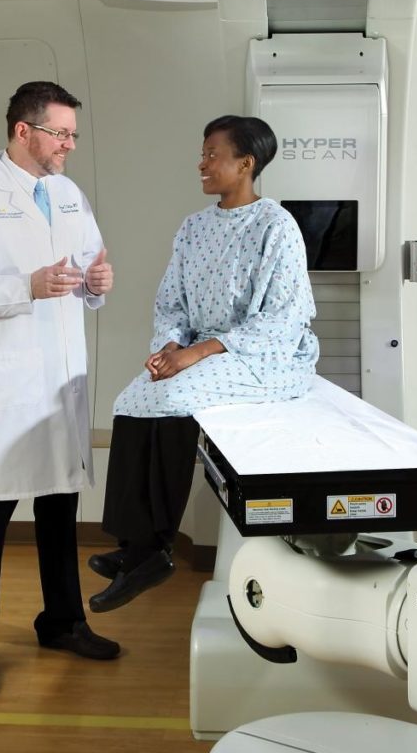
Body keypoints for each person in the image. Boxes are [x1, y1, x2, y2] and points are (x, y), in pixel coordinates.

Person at [0, 81, 120, 701]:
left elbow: (84, 276)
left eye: (72, 134)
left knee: (60, 511)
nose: (68, 145)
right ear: (22, 131)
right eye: (60, 133)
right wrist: (25, 286)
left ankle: (62, 622)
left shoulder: (67, 195)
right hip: (6, 389)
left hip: (59, 384)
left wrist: (97, 281)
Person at [89, 115, 319, 613]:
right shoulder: (193, 228)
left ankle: (154, 551)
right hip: (197, 351)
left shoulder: (276, 226)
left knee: (172, 396)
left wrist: (196, 352)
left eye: (212, 154)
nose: (202, 163)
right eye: (203, 152)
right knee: (132, 397)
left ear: (245, 163)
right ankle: (133, 546)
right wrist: (169, 347)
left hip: (264, 356)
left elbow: (284, 317)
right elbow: (171, 302)